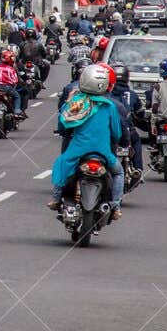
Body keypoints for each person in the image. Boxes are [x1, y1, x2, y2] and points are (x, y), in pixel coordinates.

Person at [50, 63, 125, 221]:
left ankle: (56, 199)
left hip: (78, 150)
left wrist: (67, 101)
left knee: (61, 163)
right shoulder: (110, 106)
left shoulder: (77, 102)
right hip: (103, 153)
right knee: (118, 173)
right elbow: (117, 133)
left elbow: (64, 122)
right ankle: (116, 206)